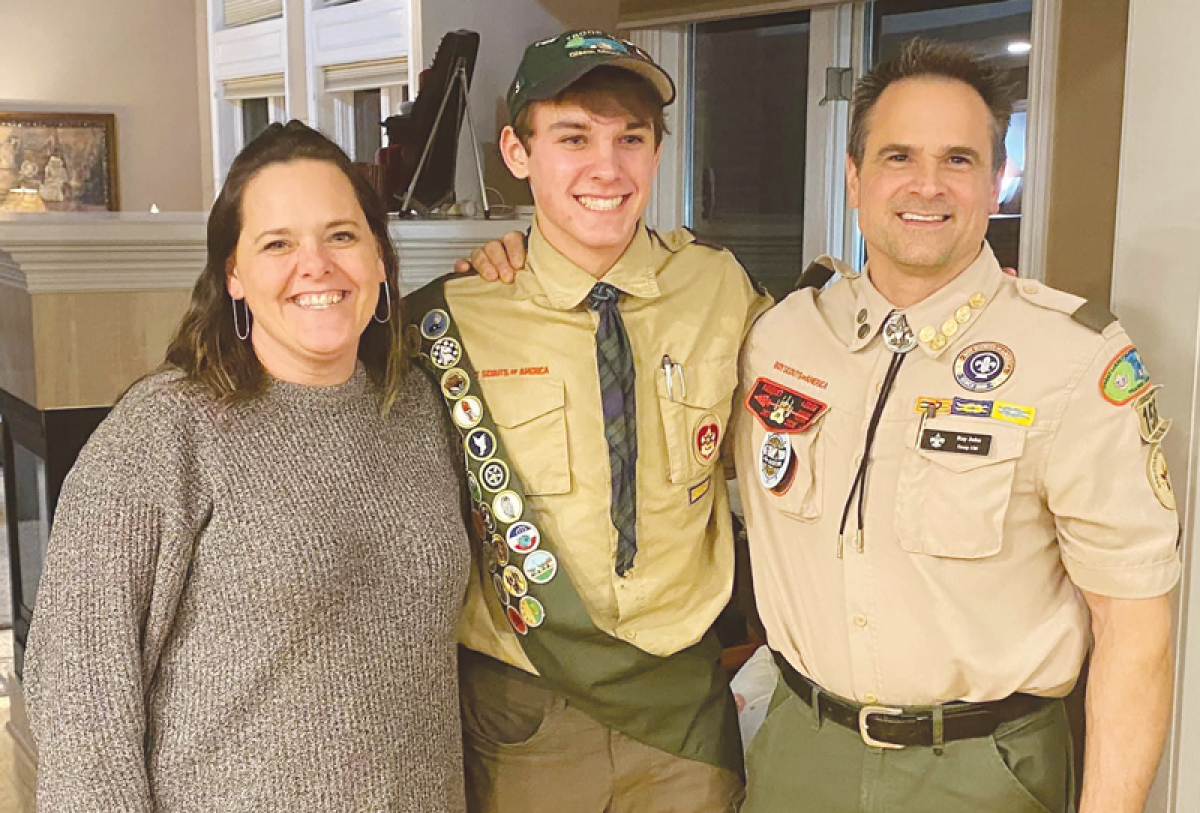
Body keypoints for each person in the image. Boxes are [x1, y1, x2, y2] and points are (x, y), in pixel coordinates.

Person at [732, 39, 1180, 813]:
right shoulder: (780, 337)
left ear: (999, 178)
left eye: (960, 159)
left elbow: (1133, 624)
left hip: (985, 771)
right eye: (898, 155)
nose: (927, 185)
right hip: (802, 753)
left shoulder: (1072, 361)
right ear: (855, 177)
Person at [24, 121, 471, 812]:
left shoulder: (417, 405)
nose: (316, 265)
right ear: (233, 273)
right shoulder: (161, 433)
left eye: (342, 235)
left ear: (380, 257)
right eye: (278, 243)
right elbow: (80, 699)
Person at [416, 29, 770, 813]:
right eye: (573, 138)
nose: (606, 169)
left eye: (631, 140)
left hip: (683, 712)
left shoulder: (719, 288)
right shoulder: (454, 319)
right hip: (526, 717)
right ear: (517, 151)